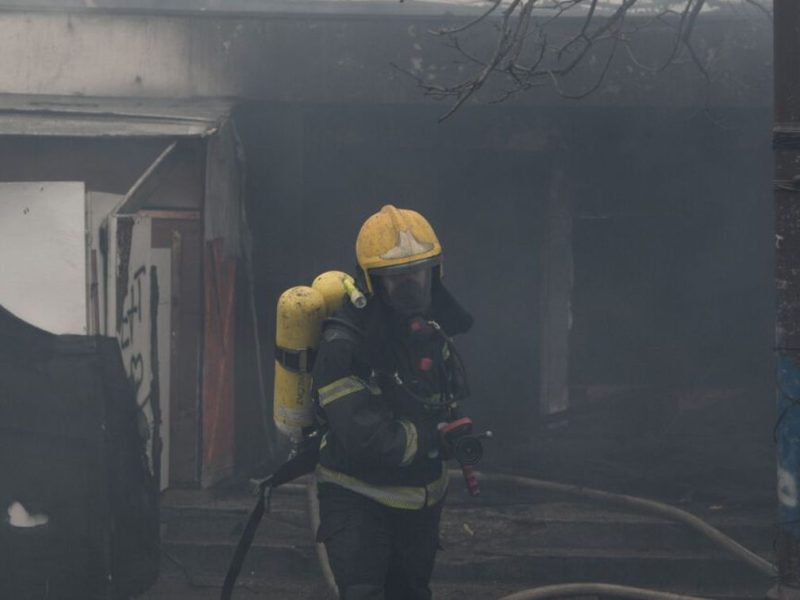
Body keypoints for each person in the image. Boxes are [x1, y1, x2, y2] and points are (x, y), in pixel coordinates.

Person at [311, 205, 473, 600]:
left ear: (435, 272)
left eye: (418, 273)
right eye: (396, 277)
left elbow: (445, 399)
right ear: (372, 282)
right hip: (358, 500)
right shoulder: (344, 346)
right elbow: (367, 441)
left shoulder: (431, 333)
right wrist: (435, 439)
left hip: (421, 500)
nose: (410, 285)